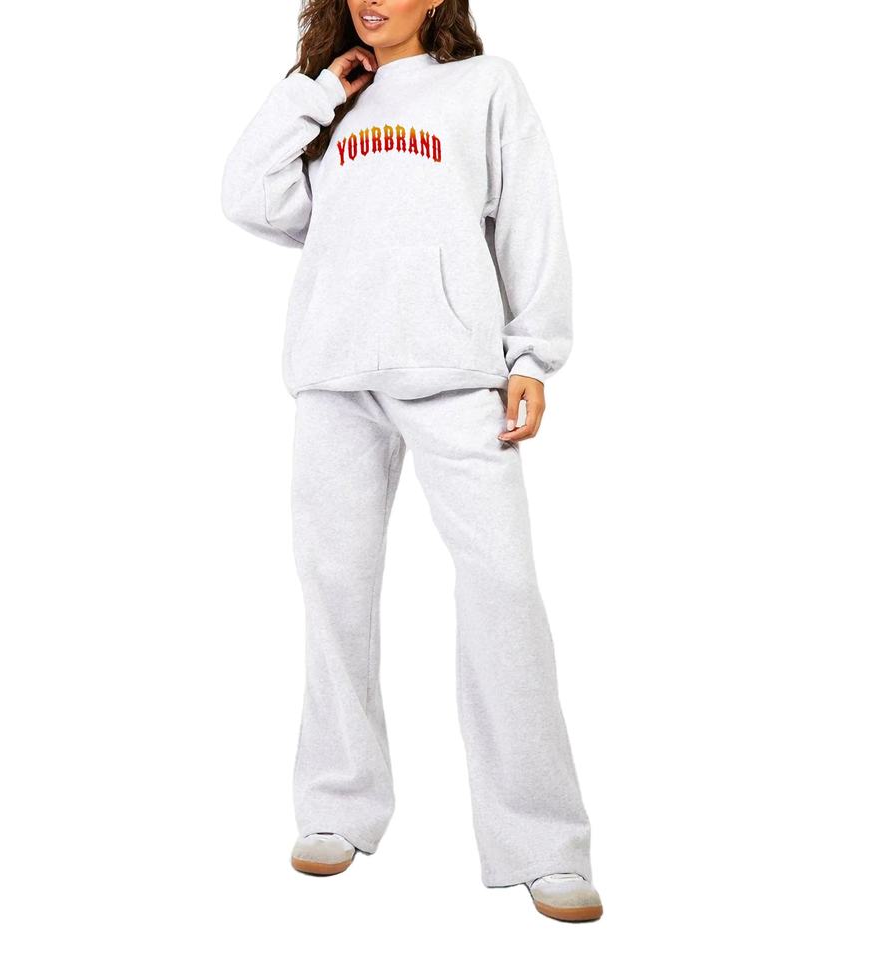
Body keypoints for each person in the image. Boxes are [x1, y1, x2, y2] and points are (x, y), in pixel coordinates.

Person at [221, 0, 602, 923]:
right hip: (334, 373)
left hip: (454, 371)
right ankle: (337, 804)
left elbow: (530, 219)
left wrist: (530, 355)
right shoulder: (333, 101)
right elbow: (249, 196)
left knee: (503, 589)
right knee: (334, 589)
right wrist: (316, 93)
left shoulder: (485, 86)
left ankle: (543, 842)